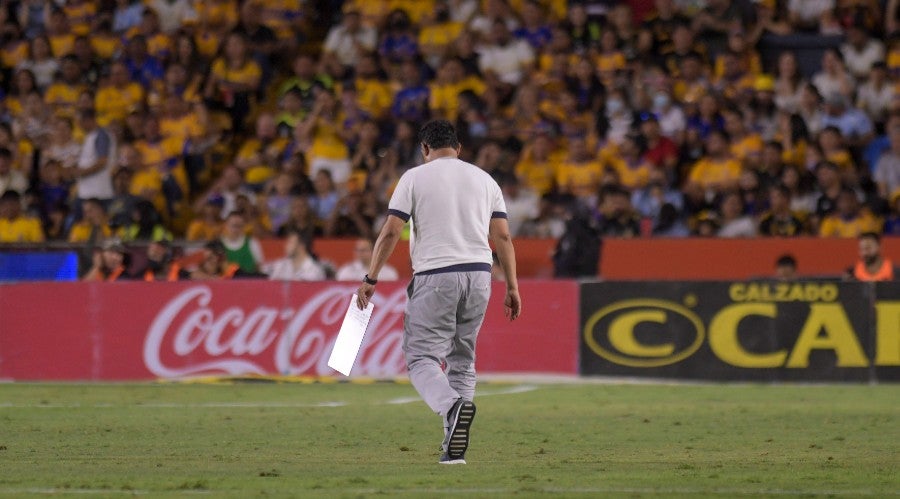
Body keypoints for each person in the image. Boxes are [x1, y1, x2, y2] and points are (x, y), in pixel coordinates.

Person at [355, 120, 521, 465]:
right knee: (462, 359)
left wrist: (371, 278)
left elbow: (390, 232)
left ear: (424, 149)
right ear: (458, 148)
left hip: (436, 275)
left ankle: (451, 408)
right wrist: (513, 286)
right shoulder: (485, 180)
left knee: (420, 358)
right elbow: (502, 237)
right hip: (480, 276)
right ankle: (453, 447)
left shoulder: (414, 178)